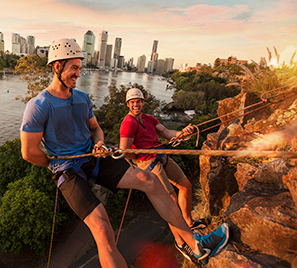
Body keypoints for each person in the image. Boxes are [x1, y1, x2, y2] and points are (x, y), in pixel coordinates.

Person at [20, 38, 229, 267]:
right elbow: (29, 152)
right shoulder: (38, 105)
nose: (78, 74)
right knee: (103, 230)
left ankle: (196, 246)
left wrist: (99, 144)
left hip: (93, 157)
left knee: (150, 180)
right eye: (74, 68)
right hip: (67, 169)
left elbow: (95, 128)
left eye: (79, 68)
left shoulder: (82, 98)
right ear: (57, 66)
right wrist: (54, 162)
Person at [119, 87, 208, 262]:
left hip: (161, 154)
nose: (136, 104)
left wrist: (182, 133)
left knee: (185, 185)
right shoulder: (127, 123)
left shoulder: (149, 119)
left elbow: (167, 133)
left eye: (138, 101)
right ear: (128, 105)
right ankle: (181, 242)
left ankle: (189, 222)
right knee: (170, 200)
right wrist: (138, 155)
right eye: (133, 102)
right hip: (147, 162)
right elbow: (125, 150)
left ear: (143, 102)